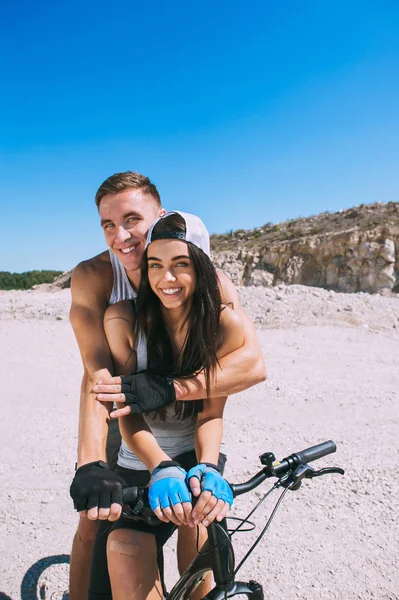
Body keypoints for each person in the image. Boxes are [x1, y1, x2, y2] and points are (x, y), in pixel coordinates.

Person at [68, 172, 266, 600]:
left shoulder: (214, 290)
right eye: (107, 224)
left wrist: (171, 389)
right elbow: (98, 376)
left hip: (184, 425)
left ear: (160, 218)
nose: (120, 236)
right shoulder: (99, 282)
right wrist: (88, 463)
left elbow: (247, 364)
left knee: (200, 537)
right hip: (120, 412)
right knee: (94, 518)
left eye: (132, 220)